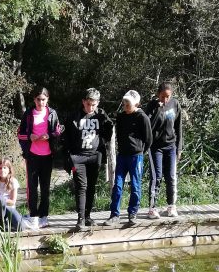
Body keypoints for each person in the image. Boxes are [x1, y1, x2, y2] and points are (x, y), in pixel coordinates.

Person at [63, 88, 114, 229]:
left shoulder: (101, 114)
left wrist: (103, 142)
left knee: (91, 187)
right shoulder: (74, 116)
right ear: (83, 101)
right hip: (78, 157)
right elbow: (65, 137)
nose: (90, 107)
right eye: (88, 104)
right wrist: (69, 156)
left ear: (98, 103)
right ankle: (80, 219)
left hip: (94, 156)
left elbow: (109, 128)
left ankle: (88, 217)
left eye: (94, 104)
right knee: (81, 186)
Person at [105, 90, 152, 225]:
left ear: (136, 103)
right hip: (122, 156)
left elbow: (148, 139)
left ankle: (132, 213)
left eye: (128, 103)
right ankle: (114, 214)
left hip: (136, 156)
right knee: (118, 185)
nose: (125, 105)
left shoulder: (143, 117)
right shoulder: (121, 116)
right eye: (124, 103)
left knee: (135, 185)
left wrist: (140, 151)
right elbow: (119, 134)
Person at [17, 86, 62, 229]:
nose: (41, 102)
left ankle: (44, 216)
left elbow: (58, 131)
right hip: (32, 155)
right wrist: (30, 136)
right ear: (34, 100)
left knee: (45, 187)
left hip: (48, 155)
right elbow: (20, 133)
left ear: (47, 99)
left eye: (43, 99)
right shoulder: (29, 114)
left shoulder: (52, 113)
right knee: (32, 187)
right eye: (38, 99)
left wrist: (49, 136)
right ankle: (33, 216)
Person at [144, 82, 183, 219]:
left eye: (167, 97)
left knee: (171, 176)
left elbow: (178, 127)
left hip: (171, 146)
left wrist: (179, 148)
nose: (165, 100)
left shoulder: (175, 104)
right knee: (157, 177)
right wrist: (158, 109)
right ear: (158, 94)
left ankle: (171, 206)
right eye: (162, 96)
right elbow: (149, 127)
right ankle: (152, 208)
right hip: (155, 147)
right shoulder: (151, 106)